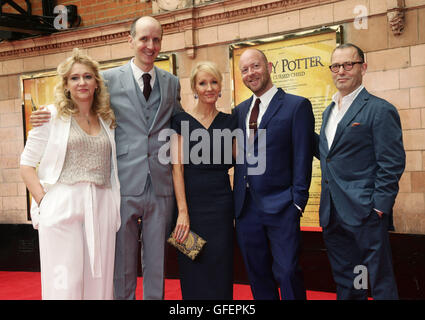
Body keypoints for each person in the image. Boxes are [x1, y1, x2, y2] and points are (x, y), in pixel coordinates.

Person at [28, 16, 183, 300]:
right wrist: (47, 112)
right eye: (144, 39)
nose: (150, 45)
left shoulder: (172, 83)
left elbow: (178, 127)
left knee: (158, 263)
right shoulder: (108, 79)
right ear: (131, 41)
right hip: (122, 184)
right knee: (120, 263)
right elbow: (80, 98)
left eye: (156, 39)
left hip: (160, 186)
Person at [20, 48, 121, 300]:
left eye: (87, 77)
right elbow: (26, 164)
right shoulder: (51, 116)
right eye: (74, 78)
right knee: (64, 282)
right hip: (63, 203)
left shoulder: (107, 120)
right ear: (65, 84)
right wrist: (45, 200)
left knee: (100, 282)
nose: (82, 83)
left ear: (97, 83)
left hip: (102, 203)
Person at [315, 43, 405, 300]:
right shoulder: (330, 111)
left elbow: (392, 162)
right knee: (349, 281)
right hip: (332, 215)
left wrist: (378, 207)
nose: (340, 71)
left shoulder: (380, 109)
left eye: (348, 65)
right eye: (335, 66)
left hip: (366, 214)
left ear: (362, 68)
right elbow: (330, 157)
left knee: (379, 282)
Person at [232, 48, 315, 300]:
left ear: (269, 66)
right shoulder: (239, 111)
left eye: (255, 66)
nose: (250, 74)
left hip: (282, 207)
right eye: (244, 70)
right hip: (246, 210)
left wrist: (297, 202)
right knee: (258, 275)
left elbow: (303, 155)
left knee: (288, 272)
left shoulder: (296, 106)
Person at [170, 61, 237, 300]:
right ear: (194, 88)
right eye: (202, 83)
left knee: (220, 267)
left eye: (213, 82)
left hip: (221, 206)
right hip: (189, 208)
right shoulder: (180, 121)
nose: (208, 87)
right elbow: (176, 170)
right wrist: (182, 212)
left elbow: (242, 163)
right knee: (192, 268)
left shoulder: (231, 122)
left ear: (220, 87)